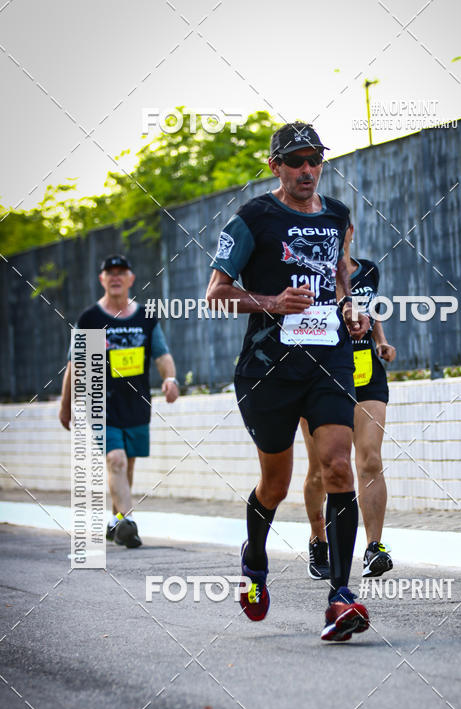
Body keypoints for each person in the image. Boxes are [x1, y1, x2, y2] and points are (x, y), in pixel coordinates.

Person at [206, 122, 371, 642]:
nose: (307, 170)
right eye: (295, 160)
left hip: (328, 360)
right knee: (275, 484)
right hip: (268, 367)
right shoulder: (253, 217)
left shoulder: (338, 215)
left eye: (314, 160)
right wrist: (273, 303)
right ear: (275, 165)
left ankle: (341, 597)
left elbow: (342, 273)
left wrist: (352, 309)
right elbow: (216, 293)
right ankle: (255, 559)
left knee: (339, 466)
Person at [59, 254, 179, 547]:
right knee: (116, 460)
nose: (115, 277)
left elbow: (161, 354)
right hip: (102, 403)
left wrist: (170, 379)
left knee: (127, 467)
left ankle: (115, 522)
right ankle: (127, 523)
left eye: (121, 272)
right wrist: (66, 406)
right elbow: (76, 365)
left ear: (130, 279)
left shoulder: (145, 319)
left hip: (137, 404)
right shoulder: (91, 319)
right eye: (109, 273)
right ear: (102, 279)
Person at [302, 222, 396, 578]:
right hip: (321, 375)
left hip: (365, 371)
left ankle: (374, 548)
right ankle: (318, 540)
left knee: (370, 459)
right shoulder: (311, 275)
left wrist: (381, 340)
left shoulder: (369, 269)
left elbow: (370, 310)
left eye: (342, 230)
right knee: (321, 470)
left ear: (351, 231)